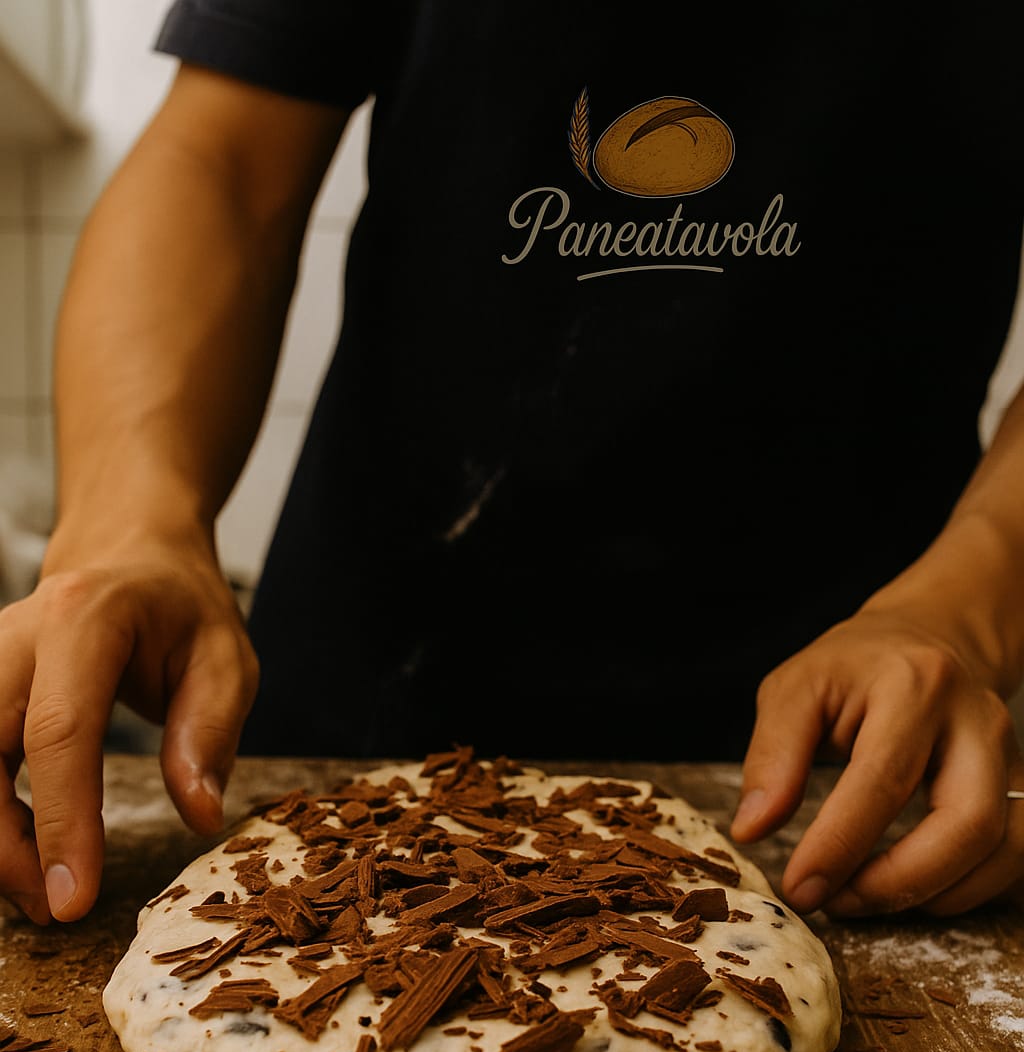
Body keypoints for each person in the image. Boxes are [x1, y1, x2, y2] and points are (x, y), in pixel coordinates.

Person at [1, 1, 1023, 928]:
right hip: (359, 715)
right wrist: (135, 520)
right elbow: (223, 162)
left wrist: (965, 608)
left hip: (851, 756)